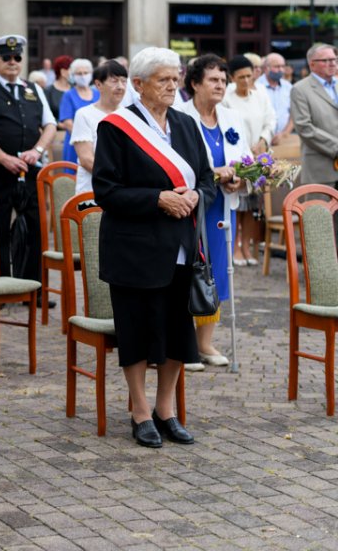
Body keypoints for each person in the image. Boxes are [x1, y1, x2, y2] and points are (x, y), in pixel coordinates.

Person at [92, 46, 216, 448]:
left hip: (180, 245)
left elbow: (207, 180)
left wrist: (196, 196)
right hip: (135, 248)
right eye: (163, 79)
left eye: (175, 78)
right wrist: (157, 198)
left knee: (178, 332)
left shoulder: (185, 123)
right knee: (139, 330)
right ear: (139, 84)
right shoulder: (116, 127)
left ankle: (167, 410)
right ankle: (140, 411)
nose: (172, 85)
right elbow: (106, 191)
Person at [0, 35, 56, 288]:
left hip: (29, 170)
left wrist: (37, 150)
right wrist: (4, 158)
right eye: (6, 57)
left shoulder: (33, 89)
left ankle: (32, 287)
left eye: (17, 57)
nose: (13, 62)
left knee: (35, 229)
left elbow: (49, 124)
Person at [176, 54, 248, 371]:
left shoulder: (231, 118)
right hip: (189, 206)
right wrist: (217, 174)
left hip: (221, 207)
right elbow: (176, 166)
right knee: (185, 270)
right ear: (194, 83)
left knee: (216, 272)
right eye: (213, 80)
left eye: (223, 80)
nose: (220, 86)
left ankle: (204, 343)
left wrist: (240, 180)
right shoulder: (178, 117)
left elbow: (244, 159)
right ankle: (181, 343)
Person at [222, 55, 275, 266]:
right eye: (240, 77)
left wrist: (263, 140)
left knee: (253, 206)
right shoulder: (227, 98)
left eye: (249, 75)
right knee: (238, 206)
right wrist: (243, 149)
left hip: (259, 156)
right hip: (238, 157)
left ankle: (247, 245)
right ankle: (235, 247)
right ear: (232, 77)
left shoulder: (260, 95)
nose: (245, 81)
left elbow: (270, 120)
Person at [70, 60, 128, 195]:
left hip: (125, 192)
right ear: (98, 84)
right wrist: (119, 179)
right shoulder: (84, 114)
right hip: (93, 191)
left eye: (124, 81)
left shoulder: (129, 115)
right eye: (114, 81)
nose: (120, 87)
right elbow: (87, 160)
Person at [292, 43, 338, 187]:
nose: (332, 63)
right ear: (312, 64)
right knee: (319, 210)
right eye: (326, 60)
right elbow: (304, 127)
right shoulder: (300, 89)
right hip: (320, 168)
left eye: (334, 59)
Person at [59, 58, 99, 165]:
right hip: (76, 144)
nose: (83, 76)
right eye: (79, 73)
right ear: (73, 75)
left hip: (99, 144)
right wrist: (86, 141)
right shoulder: (68, 95)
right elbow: (68, 123)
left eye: (86, 73)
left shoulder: (98, 93)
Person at [257, 52, 294, 144]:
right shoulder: (256, 87)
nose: (281, 70)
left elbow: (294, 114)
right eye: (277, 67)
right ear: (266, 68)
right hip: (260, 140)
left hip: (283, 139)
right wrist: (264, 137)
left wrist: (284, 133)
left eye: (283, 66)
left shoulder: (288, 87)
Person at [44, 55, 72, 122]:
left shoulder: (75, 89)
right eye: (71, 69)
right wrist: (61, 125)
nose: (73, 72)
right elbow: (46, 114)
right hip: (57, 130)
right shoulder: (48, 91)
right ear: (63, 71)